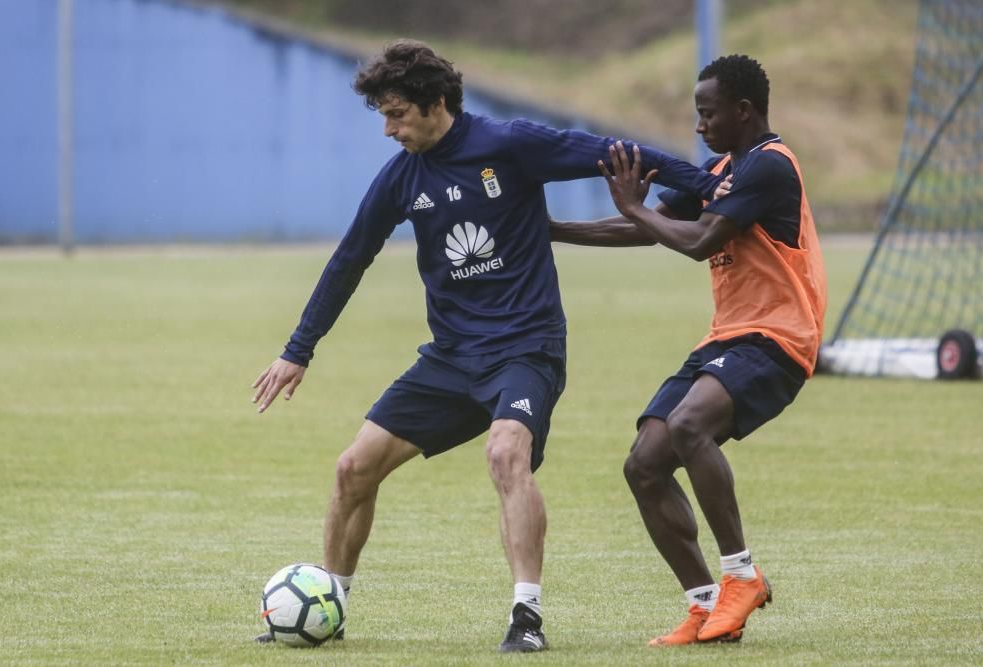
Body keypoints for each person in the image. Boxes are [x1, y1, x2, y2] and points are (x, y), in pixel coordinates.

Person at [250, 39, 721, 652]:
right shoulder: (400, 178)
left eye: (396, 115)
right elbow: (349, 261)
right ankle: (330, 604)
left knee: (505, 454)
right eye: (383, 116)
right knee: (352, 469)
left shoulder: (510, 145)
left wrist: (710, 184)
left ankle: (527, 618)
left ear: (435, 103)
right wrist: (298, 349)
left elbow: (618, 154)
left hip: (527, 349)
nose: (388, 130)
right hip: (450, 358)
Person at [550, 54, 826, 645]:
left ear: (743, 110)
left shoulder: (768, 168)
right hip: (728, 335)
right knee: (644, 465)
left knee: (689, 424)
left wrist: (634, 206)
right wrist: (548, 228)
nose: (699, 126)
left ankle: (742, 575)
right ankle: (706, 607)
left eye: (708, 113)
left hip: (780, 336)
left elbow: (699, 241)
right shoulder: (720, 169)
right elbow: (643, 227)